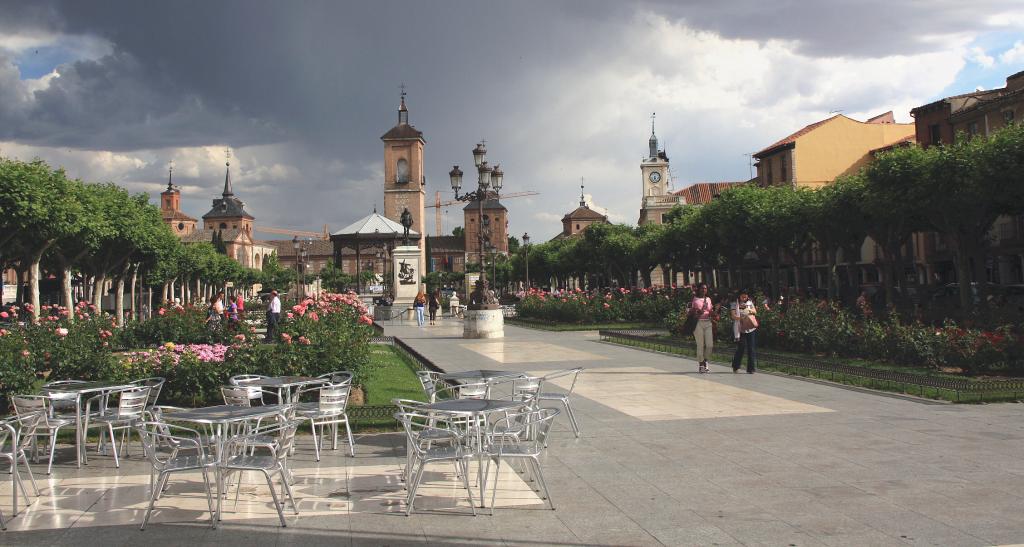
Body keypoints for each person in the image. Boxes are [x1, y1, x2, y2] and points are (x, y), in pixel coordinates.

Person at [689, 283, 715, 374]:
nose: (704, 290)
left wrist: (714, 312)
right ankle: (701, 364)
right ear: (698, 289)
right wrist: (697, 312)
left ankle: (705, 360)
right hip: (698, 323)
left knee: (709, 345)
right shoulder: (694, 299)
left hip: (708, 323)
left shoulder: (708, 299)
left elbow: (710, 310)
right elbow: (690, 311)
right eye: (702, 288)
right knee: (700, 344)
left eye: (705, 288)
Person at [731, 290, 758, 373]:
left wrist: (748, 310)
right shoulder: (735, 304)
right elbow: (733, 316)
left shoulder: (750, 303)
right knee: (741, 348)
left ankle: (751, 368)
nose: (744, 298)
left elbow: (755, 311)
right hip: (740, 329)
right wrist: (740, 318)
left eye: (745, 297)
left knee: (751, 348)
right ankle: (736, 366)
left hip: (750, 328)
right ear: (739, 296)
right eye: (742, 296)